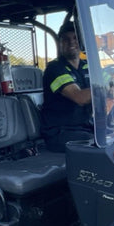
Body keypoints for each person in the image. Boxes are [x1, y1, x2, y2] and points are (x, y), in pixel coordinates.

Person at [40, 20, 93, 152]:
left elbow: (109, 83)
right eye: (66, 39)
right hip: (60, 132)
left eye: (75, 38)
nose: (71, 42)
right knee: (99, 144)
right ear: (60, 43)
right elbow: (79, 97)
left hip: (85, 127)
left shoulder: (87, 65)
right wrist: (107, 88)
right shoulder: (55, 68)